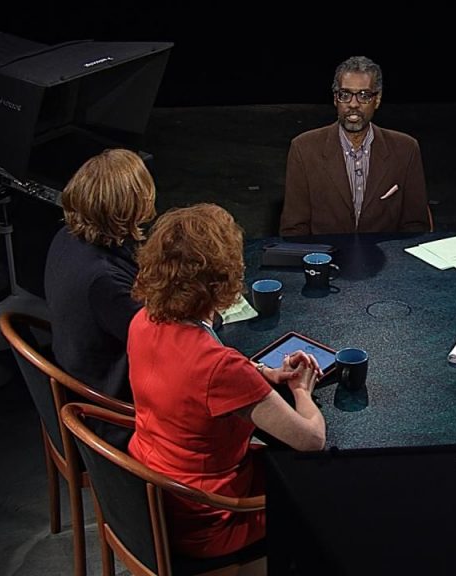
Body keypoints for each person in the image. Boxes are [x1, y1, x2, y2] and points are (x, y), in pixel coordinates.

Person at [128, 203, 326, 558]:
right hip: (210, 518)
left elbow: (192, 379)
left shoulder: (142, 321)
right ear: (223, 277)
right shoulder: (220, 367)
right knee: (330, 490)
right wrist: (301, 391)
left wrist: (263, 374)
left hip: (151, 495)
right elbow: (311, 440)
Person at [43, 149, 156, 407]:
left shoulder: (66, 236)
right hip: (112, 406)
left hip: (80, 372)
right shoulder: (103, 280)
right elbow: (160, 343)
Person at [279, 55, 430, 236]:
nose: (353, 104)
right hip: (326, 258)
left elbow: (416, 227)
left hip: (387, 259)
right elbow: (293, 230)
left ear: (377, 99)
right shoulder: (304, 149)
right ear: (336, 99)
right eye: (345, 95)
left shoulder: (405, 149)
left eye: (364, 96)